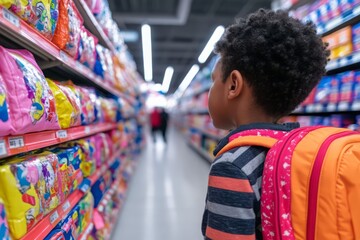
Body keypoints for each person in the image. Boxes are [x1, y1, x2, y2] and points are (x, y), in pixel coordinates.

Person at [201, 9, 329, 240]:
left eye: (212, 81)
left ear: (233, 86)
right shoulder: (302, 152)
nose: (209, 92)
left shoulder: (232, 166)